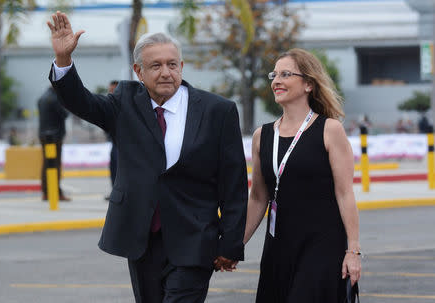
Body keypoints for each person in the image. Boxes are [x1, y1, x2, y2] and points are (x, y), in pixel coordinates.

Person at [47, 11, 247, 303]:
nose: (166, 72)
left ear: (182, 66)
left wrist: (230, 244)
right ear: (138, 71)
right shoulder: (124, 102)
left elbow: (234, 184)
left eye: (172, 64)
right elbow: (82, 102)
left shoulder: (218, 111)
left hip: (194, 239)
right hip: (142, 238)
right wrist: (64, 60)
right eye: (155, 66)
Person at [243, 48, 361, 302]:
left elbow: (345, 194)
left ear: (308, 84)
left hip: (322, 244)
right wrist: (233, 245)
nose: (277, 81)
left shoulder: (329, 130)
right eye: (274, 74)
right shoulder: (262, 135)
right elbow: (258, 198)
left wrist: (353, 251)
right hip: (279, 245)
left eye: (286, 74)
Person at [38, 85, 71, 201]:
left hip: (44, 135)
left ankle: (46, 192)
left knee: (46, 164)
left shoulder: (42, 98)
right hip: (55, 136)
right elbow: (65, 114)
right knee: (54, 164)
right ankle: (56, 192)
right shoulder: (55, 98)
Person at [104, 80, 119, 201]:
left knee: (120, 169)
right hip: (114, 141)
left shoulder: (126, 105)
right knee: (113, 168)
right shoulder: (109, 104)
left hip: (123, 144)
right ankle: (114, 191)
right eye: (110, 91)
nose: (111, 93)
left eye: (113, 90)